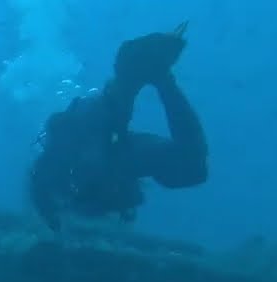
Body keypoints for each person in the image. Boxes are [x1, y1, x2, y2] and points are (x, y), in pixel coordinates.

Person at [29, 23, 209, 231]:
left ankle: (135, 75)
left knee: (189, 168)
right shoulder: (57, 173)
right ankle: (136, 75)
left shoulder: (86, 158)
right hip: (104, 150)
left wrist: (162, 81)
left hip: (105, 147)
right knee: (189, 167)